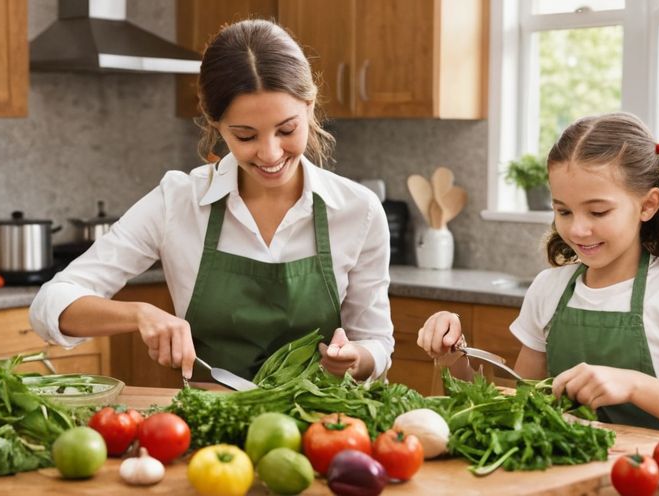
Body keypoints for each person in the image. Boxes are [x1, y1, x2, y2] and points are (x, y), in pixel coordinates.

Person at [29, 19, 393, 382]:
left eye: (286, 130)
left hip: (325, 430)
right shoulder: (178, 202)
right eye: (245, 135)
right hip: (211, 426)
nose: (269, 153)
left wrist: (355, 358)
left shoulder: (358, 211)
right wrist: (140, 313)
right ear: (215, 124)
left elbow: (376, 341)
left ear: (310, 106)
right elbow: (52, 302)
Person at [418, 112, 659, 439]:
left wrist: (632, 384)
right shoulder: (549, 288)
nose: (577, 229)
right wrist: (453, 356)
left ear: (647, 205)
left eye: (598, 211)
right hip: (564, 477)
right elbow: (519, 403)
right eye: (563, 211)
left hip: (650, 479)